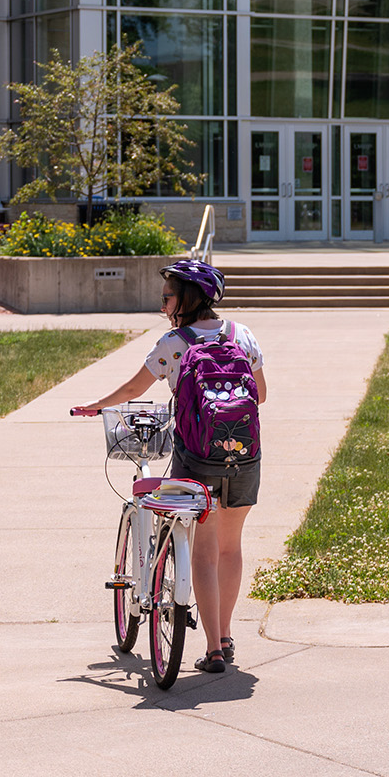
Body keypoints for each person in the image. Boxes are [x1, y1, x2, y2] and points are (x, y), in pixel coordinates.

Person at [74, 260, 267, 674]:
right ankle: (228, 635)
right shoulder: (241, 335)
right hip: (244, 456)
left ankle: (213, 648)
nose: (162, 305)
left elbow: (133, 389)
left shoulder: (174, 343)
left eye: (166, 297)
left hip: (196, 460)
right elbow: (262, 395)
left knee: (203, 550)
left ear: (187, 299)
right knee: (231, 547)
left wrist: (95, 406)